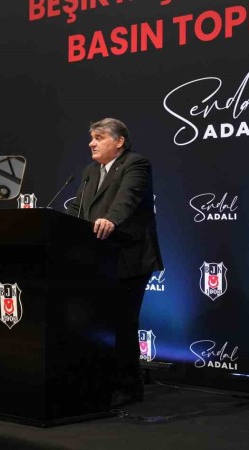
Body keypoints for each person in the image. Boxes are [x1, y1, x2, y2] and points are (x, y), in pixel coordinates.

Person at [67, 118, 164, 406]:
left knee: (122, 323)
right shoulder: (90, 171)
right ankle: (99, 381)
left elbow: (127, 199)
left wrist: (111, 219)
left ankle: (128, 387)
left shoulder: (135, 164)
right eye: (91, 138)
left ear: (119, 141)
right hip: (98, 258)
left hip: (129, 257)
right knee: (95, 324)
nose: (91, 143)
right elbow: (78, 207)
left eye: (99, 137)